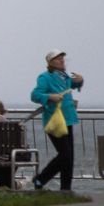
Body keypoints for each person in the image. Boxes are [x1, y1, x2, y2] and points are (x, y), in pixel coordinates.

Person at [30, 49, 84, 191]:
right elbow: (35, 94)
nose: (61, 60)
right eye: (57, 58)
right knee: (65, 154)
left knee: (69, 156)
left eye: (62, 58)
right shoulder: (45, 77)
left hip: (68, 119)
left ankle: (66, 189)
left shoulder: (64, 77)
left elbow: (72, 85)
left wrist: (80, 81)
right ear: (50, 62)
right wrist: (49, 97)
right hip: (54, 121)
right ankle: (40, 179)